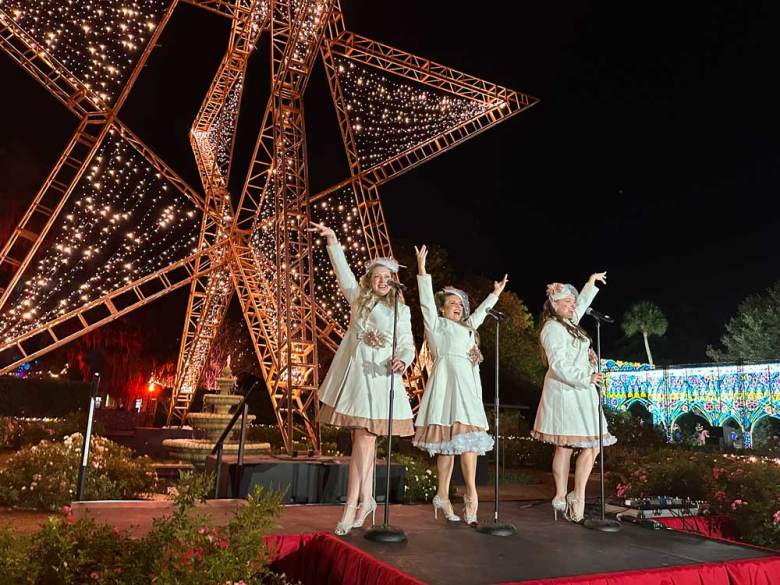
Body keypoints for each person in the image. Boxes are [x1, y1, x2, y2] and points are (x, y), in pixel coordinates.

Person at [309, 222, 415, 536]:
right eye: (377, 277)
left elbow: (407, 344)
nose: (382, 281)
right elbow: (343, 274)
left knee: (365, 439)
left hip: (382, 376)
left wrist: (403, 360)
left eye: (387, 278)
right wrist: (332, 240)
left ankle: (355, 504)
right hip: (356, 374)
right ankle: (363, 500)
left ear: (394, 282)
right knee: (362, 439)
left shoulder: (401, 311)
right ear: (370, 280)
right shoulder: (359, 298)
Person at [412, 244, 508, 525]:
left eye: (460, 304)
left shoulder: (468, 329)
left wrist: (495, 294)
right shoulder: (436, 325)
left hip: (467, 388)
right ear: (443, 308)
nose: (457, 307)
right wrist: (421, 270)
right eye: (452, 303)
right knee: (448, 445)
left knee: (465, 442)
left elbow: (479, 314)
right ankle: (443, 494)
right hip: (446, 385)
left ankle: (469, 494)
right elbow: (425, 302)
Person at [530, 273, 617, 523]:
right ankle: (560, 494)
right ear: (553, 305)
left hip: (584, 392)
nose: (572, 305)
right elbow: (557, 364)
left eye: (573, 301)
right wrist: (585, 376)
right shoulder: (552, 328)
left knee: (594, 444)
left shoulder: (571, 325)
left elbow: (581, 306)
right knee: (566, 444)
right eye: (566, 302)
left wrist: (590, 283)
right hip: (566, 392)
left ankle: (577, 495)